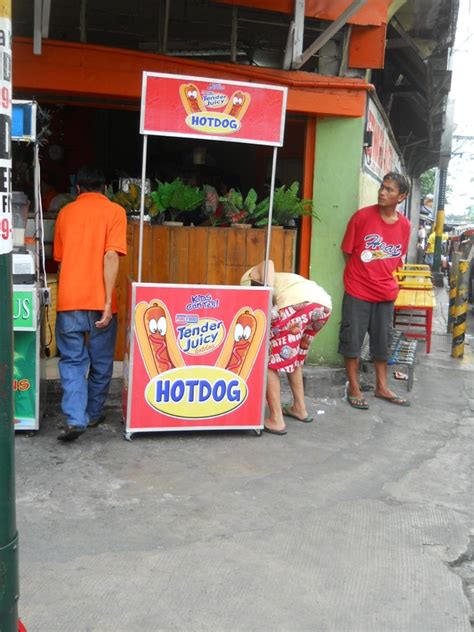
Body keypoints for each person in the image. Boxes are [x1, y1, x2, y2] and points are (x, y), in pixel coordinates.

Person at [53, 166, 127, 441]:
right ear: (105, 189)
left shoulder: (65, 213)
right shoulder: (115, 212)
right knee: (102, 360)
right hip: (101, 302)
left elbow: (60, 260)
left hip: (69, 300)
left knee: (72, 360)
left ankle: (75, 417)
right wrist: (107, 302)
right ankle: (93, 413)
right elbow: (111, 256)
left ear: (78, 189)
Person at [339, 172, 411, 410]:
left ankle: (382, 386)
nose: (382, 192)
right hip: (358, 290)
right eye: (382, 187)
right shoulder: (361, 217)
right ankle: (354, 387)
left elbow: (396, 258)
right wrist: (364, 275)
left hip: (385, 293)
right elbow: (348, 251)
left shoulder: (405, 225)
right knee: (352, 340)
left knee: (382, 342)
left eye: (390, 190)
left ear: (401, 197)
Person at [241, 260, 332, 435]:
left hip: (297, 304)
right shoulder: (285, 281)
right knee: (294, 357)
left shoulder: (251, 275)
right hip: (323, 306)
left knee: (268, 360)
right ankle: (299, 408)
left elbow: (268, 262)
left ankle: (276, 419)